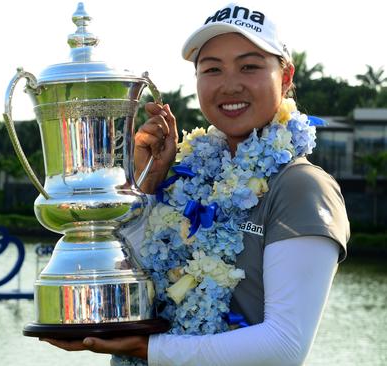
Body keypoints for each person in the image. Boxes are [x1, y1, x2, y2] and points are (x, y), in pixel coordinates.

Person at [41, 3, 350, 365]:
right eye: (212, 69)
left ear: (284, 77)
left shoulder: (302, 186)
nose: (229, 85)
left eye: (249, 66)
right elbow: (145, 285)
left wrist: (144, 348)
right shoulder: (189, 175)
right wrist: (146, 190)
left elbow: (284, 346)